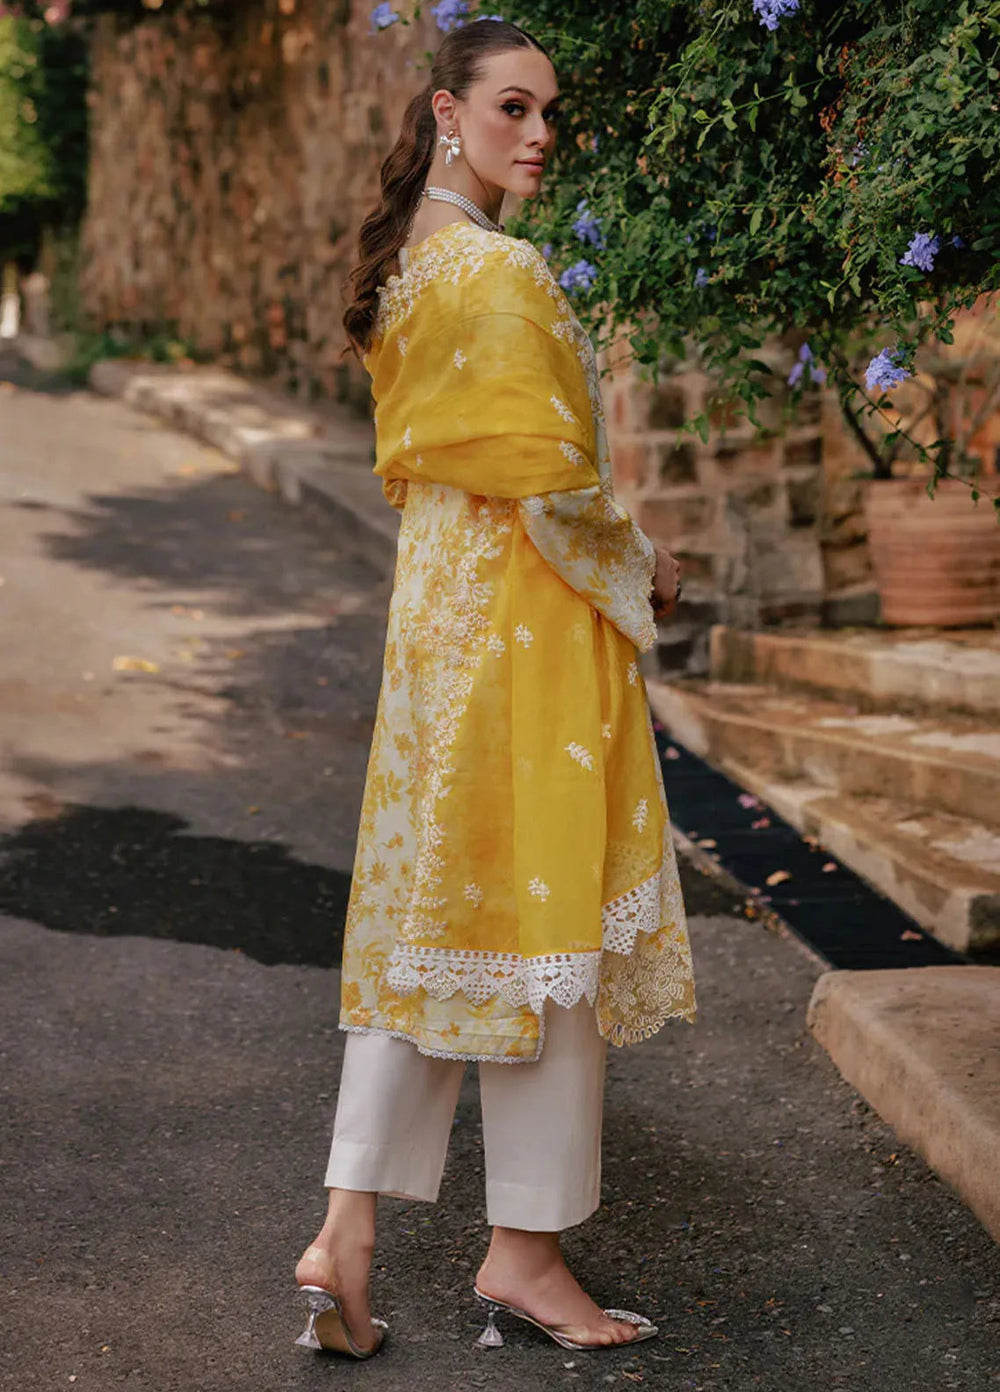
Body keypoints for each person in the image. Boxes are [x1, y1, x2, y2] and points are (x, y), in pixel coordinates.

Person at [293, 16, 696, 1360]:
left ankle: (347, 1234)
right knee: (544, 929)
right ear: (445, 110)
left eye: (547, 112)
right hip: (522, 627)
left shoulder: (407, 267)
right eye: (512, 106)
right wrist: (650, 563)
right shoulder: (498, 270)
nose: (536, 133)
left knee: (433, 929)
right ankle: (524, 1252)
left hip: (436, 634)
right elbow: (552, 485)